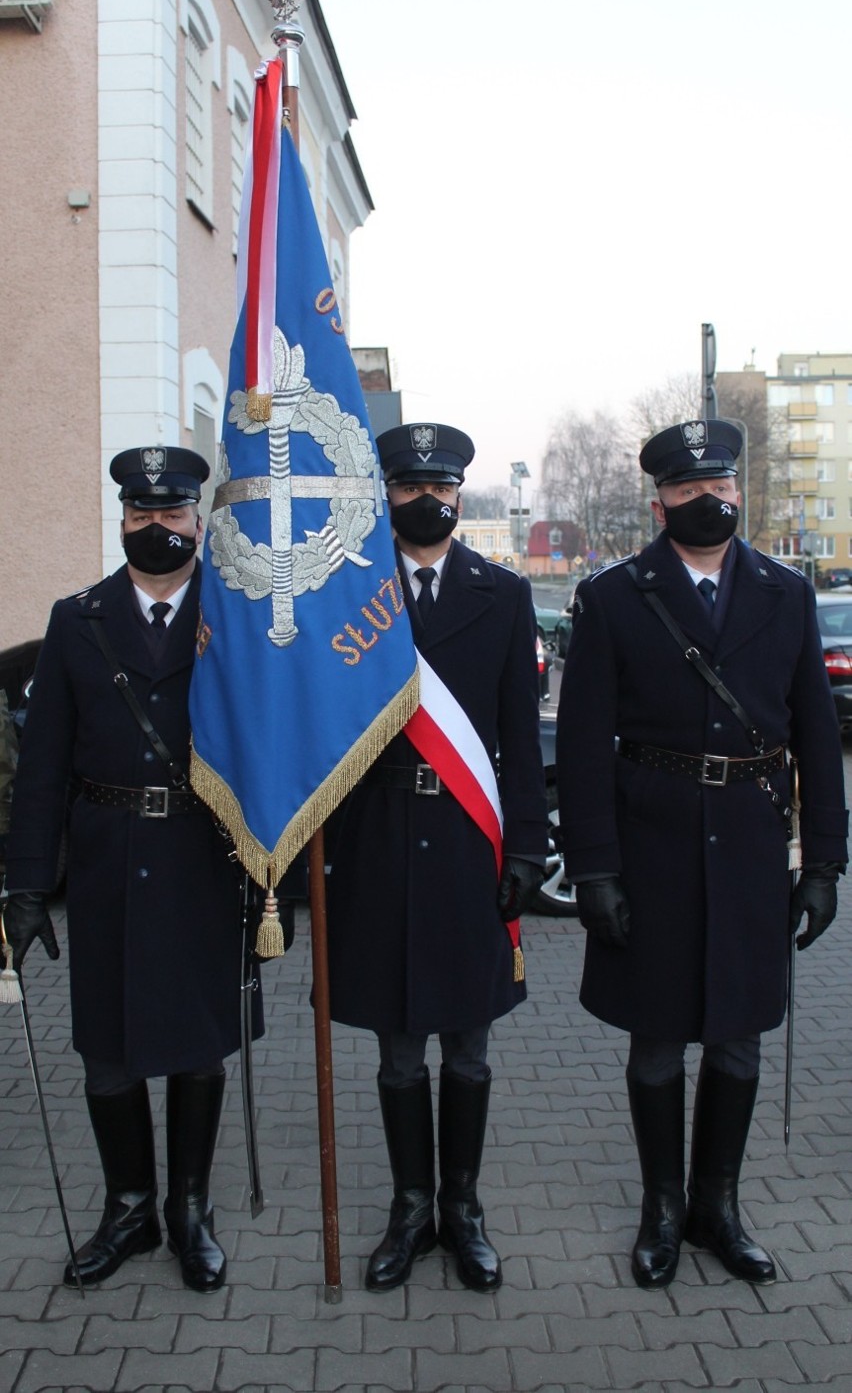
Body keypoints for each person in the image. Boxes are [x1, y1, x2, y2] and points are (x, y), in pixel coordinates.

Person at [556, 418, 847, 1290]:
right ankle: (662, 1211)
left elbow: (818, 739)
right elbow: (581, 746)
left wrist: (825, 862)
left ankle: (719, 1206)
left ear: (736, 492)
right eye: (687, 491)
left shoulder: (784, 592)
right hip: (654, 847)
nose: (708, 502)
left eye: (719, 487)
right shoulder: (615, 596)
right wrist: (596, 868)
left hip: (754, 847)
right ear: (660, 502)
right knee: (656, 1044)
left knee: (738, 1044)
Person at [2, 446, 265, 1293]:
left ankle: (189, 1209)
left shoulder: (238, 617)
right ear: (122, 520)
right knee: (107, 1053)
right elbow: (39, 772)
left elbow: (267, 757)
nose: (157, 527)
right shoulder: (76, 620)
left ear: (198, 520)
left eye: (173, 512)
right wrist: (23, 885)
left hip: (201, 859)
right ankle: (129, 1207)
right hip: (110, 864)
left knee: (199, 1047)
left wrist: (275, 882)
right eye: (140, 513)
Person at [325, 422, 548, 1292]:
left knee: (469, 1050)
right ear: (387, 494)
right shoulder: (354, 593)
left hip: (466, 847)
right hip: (376, 845)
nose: (428, 501)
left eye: (442, 488)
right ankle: (408, 1208)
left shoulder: (503, 593)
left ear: (460, 495)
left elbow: (521, 746)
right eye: (411, 487)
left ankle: (465, 1208)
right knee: (395, 1053)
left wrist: (526, 847)